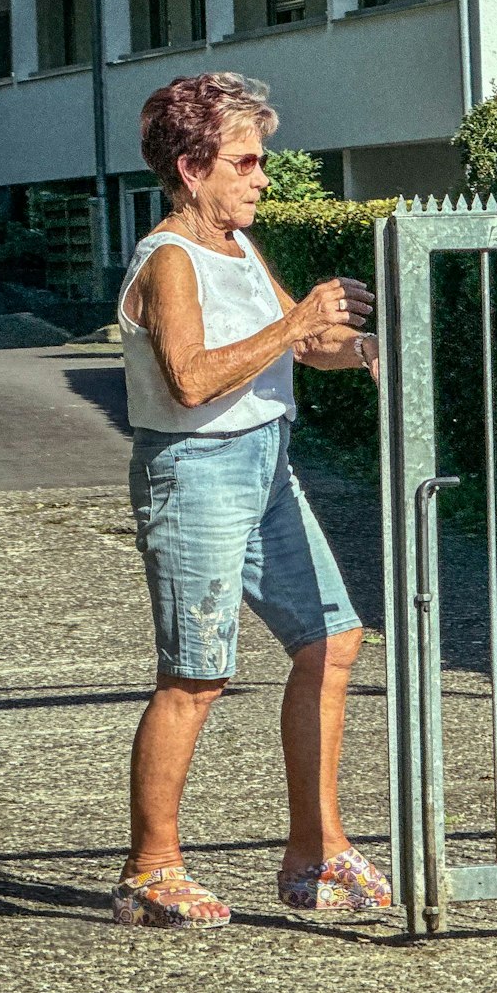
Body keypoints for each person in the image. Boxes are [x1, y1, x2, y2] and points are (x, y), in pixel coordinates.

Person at [111, 72, 385, 928]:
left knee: (333, 638)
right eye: (247, 161)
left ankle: (315, 850)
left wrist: (372, 346)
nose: (263, 176)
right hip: (195, 469)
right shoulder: (170, 259)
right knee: (195, 675)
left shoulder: (234, 245)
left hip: (266, 462)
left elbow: (302, 351)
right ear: (193, 168)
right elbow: (191, 379)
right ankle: (149, 870)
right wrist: (296, 322)